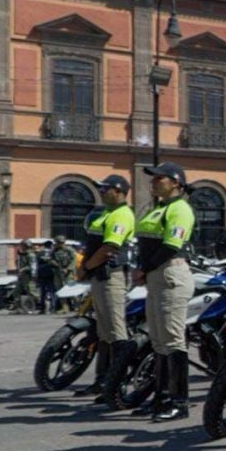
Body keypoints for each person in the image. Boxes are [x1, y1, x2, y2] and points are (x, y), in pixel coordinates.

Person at [134, 163, 197, 422]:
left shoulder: (180, 209)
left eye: (160, 178)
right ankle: (160, 397)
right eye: (153, 178)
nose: (154, 181)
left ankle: (179, 402)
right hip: (155, 275)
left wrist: (144, 269)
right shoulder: (157, 209)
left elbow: (171, 245)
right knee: (158, 340)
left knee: (173, 340)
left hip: (170, 273)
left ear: (176, 183)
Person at [76, 175, 135, 399]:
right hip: (99, 276)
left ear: (119, 191)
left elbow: (110, 247)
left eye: (105, 188)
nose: (101, 192)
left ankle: (117, 384)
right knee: (104, 332)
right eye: (100, 189)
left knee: (116, 331)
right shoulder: (105, 213)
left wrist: (86, 267)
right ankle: (102, 381)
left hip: (111, 277)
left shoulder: (121, 214)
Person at [51, 235, 77, 311]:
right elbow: (51, 259)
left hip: (68, 274)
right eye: (58, 242)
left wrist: (68, 268)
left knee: (70, 289)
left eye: (61, 242)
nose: (59, 244)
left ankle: (78, 305)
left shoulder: (69, 250)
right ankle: (65, 307)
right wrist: (52, 262)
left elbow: (73, 260)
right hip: (58, 273)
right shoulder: (54, 251)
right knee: (60, 290)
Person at [34, 245, 58, 314]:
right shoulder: (52, 253)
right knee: (52, 293)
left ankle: (42, 309)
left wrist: (36, 276)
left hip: (42, 276)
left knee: (43, 294)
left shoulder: (39, 254)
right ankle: (52, 308)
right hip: (50, 276)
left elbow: (36, 266)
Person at [13, 239, 35, 310]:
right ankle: (18, 308)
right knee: (16, 292)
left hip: (28, 277)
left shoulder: (31, 255)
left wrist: (23, 269)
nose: (21, 247)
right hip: (22, 277)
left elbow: (32, 266)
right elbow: (18, 264)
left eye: (22, 245)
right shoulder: (22, 255)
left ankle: (33, 307)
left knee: (31, 292)